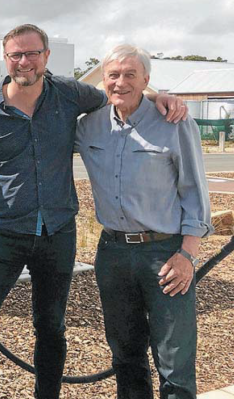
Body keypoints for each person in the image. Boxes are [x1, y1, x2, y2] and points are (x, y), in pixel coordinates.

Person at [0, 24, 187, 399]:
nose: (24, 61)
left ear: (46, 56)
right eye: (16, 54)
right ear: (6, 58)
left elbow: (120, 91)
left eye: (32, 53)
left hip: (57, 232)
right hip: (3, 234)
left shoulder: (69, 94)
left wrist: (161, 97)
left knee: (50, 327)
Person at [76, 45, 212, 399]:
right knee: (125, 355)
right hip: (113, 254)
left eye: (130, 75)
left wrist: (187, 255)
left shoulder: (174, 122)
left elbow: (195, 193)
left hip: (165, 254)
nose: (120, 82)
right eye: (113, 75)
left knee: (174, 360)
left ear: (146, 80)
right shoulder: (88, 128)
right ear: (103, 80)